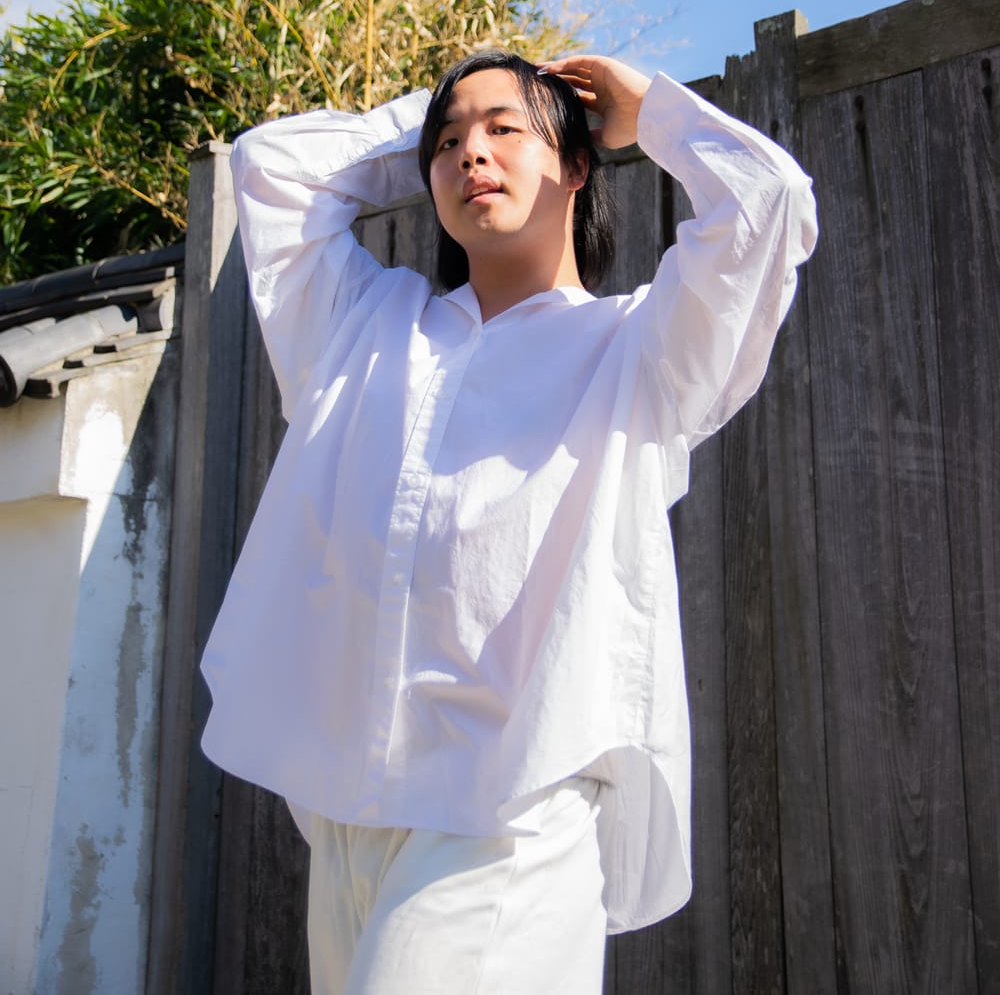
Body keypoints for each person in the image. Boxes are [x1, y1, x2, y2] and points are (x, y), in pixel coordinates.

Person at [201, 51, 818, 995]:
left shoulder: (638, 352)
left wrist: (643, 111)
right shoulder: (359, 330)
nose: (469, 155)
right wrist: (448, 107)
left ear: (574, 166)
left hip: (509, 812)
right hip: (346, 816)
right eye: (448, 144)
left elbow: (768, 205)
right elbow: (275, 169)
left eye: (503, 132)